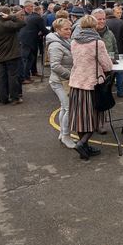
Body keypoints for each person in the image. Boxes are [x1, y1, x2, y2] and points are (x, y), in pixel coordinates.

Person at [68, 15, 113, 160]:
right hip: (91, 84)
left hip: (76, 83)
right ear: (94, 27)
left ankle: (84, 149)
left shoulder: (74, 41)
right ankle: (81, 143)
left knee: (81, 119)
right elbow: (107, 65)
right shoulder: (97, 43)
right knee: (93, 117)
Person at [0, 6, 26, 105]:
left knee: (1, 77)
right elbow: (22, 23)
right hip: (12, 54)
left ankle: (3, 98)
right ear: (4, 14)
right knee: (13, 77)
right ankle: (15, 98)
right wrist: (10, 17)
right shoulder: (6, 24)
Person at [46, 18, 75, 149]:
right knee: (69, 108)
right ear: (57, 30)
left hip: (65, 80)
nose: (69, 31)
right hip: (59, 81)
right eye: (66, 29)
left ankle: (63, 133)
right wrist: (71, 76)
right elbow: (55, 66)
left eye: (70, 28)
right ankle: (66, 136)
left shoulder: (65, 40)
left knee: (65, 107)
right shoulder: (55, 45)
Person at [18, 0, 48, 84]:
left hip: (25, 39)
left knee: (29, 58)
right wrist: (54, 33)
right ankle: (24, 77)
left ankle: (30, 74)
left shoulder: (29, 17)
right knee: (27, 59)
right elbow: (44, 30)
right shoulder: (38, 18)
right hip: (28, 41)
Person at [105, 7, 123, 97]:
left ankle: (107, 91)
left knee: (109, 70)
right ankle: (120, 91)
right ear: (113, 13)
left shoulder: (105, 23)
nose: (119, 14)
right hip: (120, 49)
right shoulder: (121, 22)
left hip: (109, 50)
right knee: (120, 71)